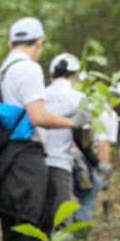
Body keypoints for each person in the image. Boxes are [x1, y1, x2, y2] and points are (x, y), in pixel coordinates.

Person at [0, 18, 93, 241]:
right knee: (29, 222)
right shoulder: (30, 68)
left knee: (13, 224)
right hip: (25, 157)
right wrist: (73, 122)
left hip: (5, 156)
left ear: (10, 43)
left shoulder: (3, 70)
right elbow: (38, 117)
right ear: (39, 43)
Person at [74, 81, 120, 223]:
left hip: (66, 155)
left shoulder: (90, 105)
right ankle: (79, 231)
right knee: (89, 194)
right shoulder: (109, 114)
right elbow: (103, 144)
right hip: (84, 160)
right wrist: (104, 171)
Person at [41, 53, 83, 220]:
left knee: (41, 218)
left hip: (36, 163)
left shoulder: (40, 96)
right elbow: (83, 137)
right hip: (61, 163)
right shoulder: (79, 98)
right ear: (75, 73)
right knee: (62, 220)